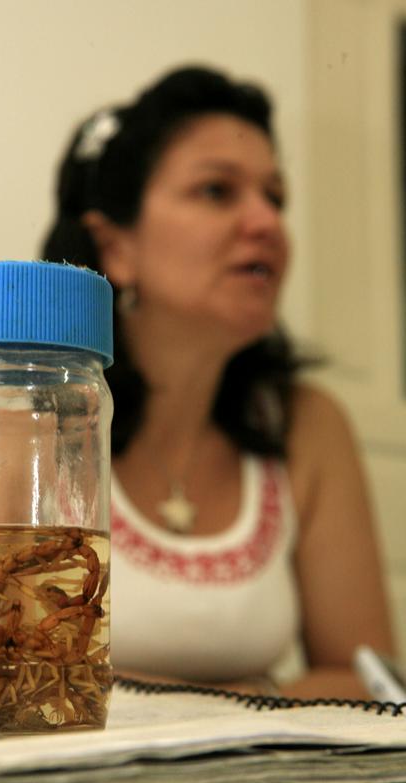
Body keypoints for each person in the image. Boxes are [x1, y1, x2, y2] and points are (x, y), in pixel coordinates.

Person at [40, 65, 395, 698]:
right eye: (216, 191)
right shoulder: (9, 423)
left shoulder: (307, 424)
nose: (267, 223)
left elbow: (366, 680)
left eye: (275, 197)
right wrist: (250, 695)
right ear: (115, 248)